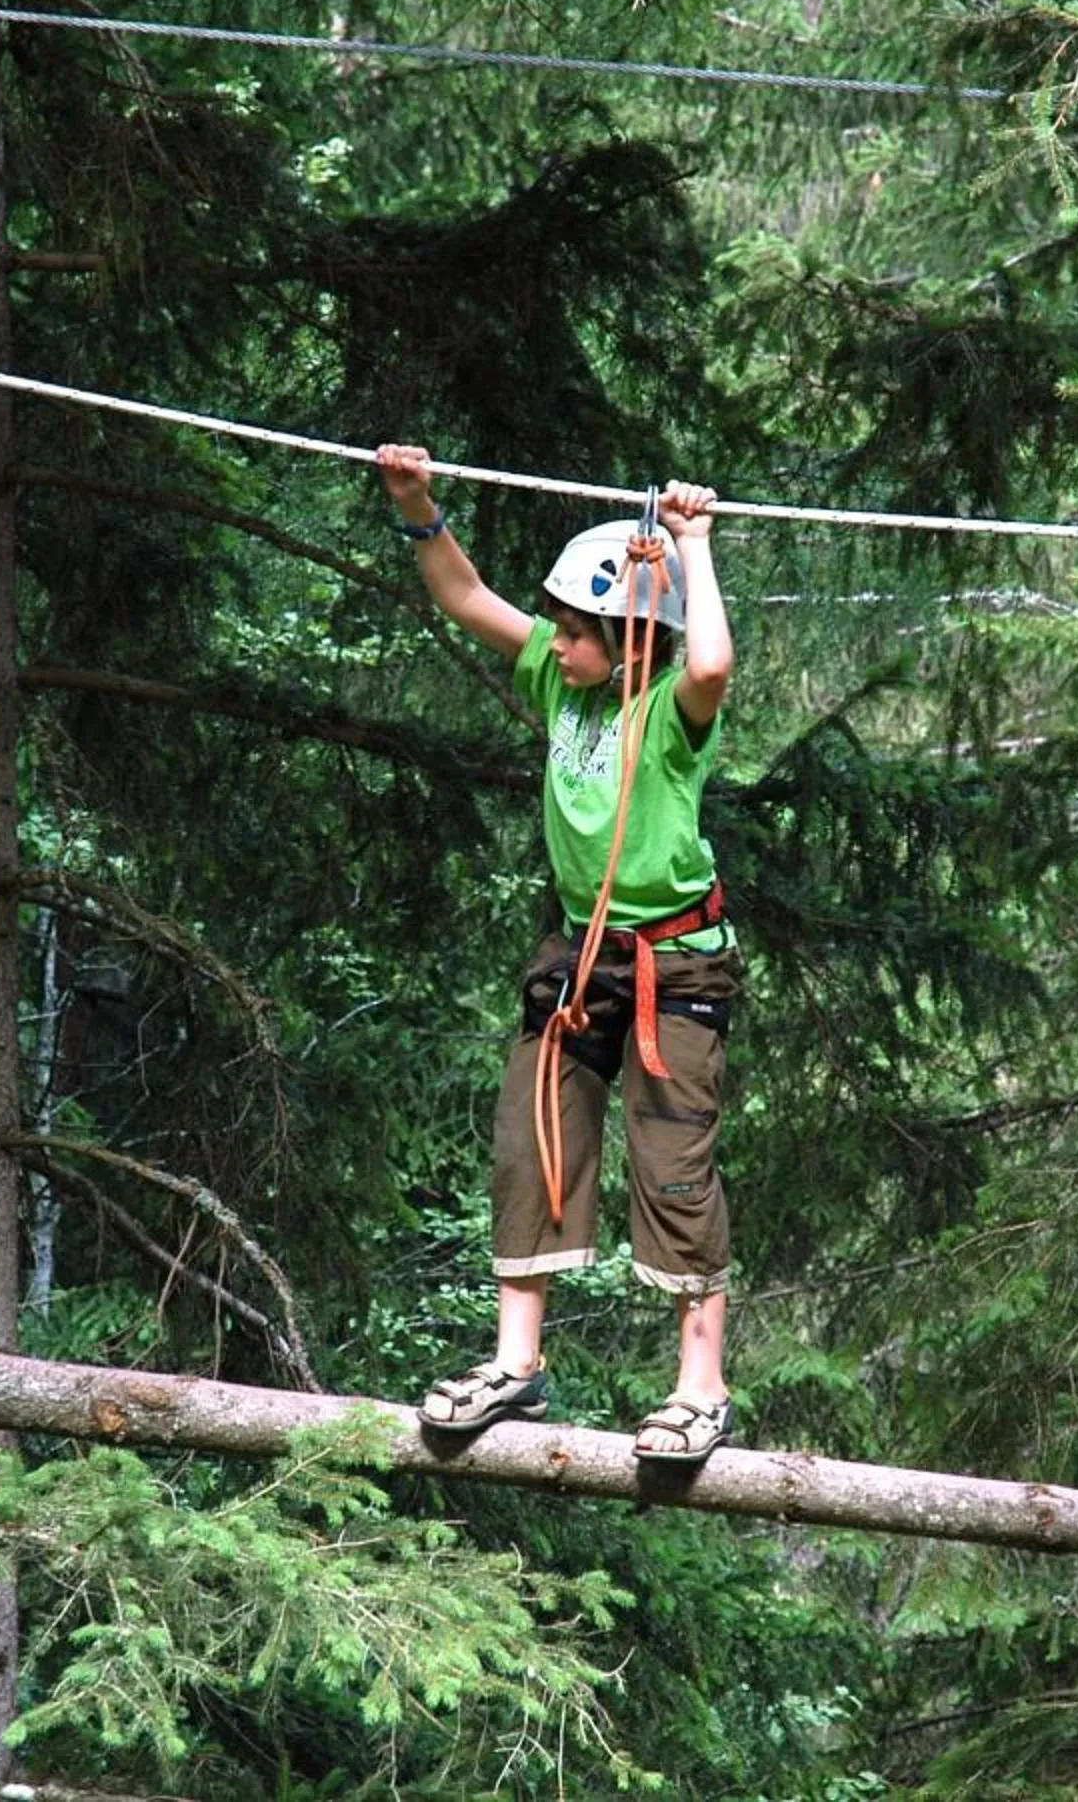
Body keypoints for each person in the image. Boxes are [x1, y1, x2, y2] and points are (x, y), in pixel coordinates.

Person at [376, 444, 746, 1465]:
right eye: (563, 627)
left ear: (633, 643)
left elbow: (710, 661)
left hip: (677, 962)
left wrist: (694, 545)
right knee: (528, 1133)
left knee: (673, 1161)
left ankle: (701, 1385)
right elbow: (465, 595)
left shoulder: (669, 710)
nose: (559, 641)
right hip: (585, 956)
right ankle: (517, 1361)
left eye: (580, 630)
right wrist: (417, 505)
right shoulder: (559, 680)